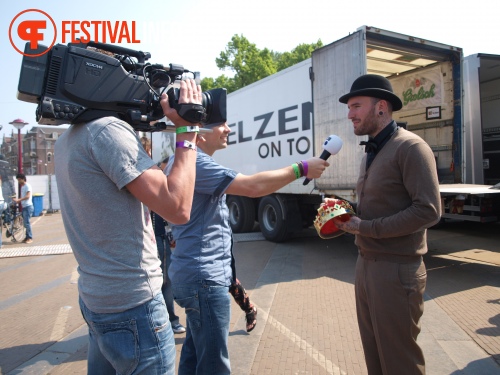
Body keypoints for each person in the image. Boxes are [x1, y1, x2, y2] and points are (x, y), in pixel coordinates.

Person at [54, 79, 201, 375]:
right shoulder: (107, 130)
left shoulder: (67, 139)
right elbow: (177, 207)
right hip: (134, 306)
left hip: (97, 301)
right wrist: (188, 129)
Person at [166, 123, 330, 375]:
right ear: (199, 132)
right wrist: (302, 168)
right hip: (204, 280)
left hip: (194, 275)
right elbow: (253, 187)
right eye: (220, 123)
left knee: (194, 355)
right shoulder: (197, 163)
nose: (228, 128)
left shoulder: (183, 162)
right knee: (213, 367)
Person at [331, 74, 441, 375]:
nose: (349, 114)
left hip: (397, 270)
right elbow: (379, 205)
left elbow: (429, 211)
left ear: (381, 107)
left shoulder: (411, 148)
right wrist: (343, 212)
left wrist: (363, 228)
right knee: (375, 358)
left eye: (356, 106)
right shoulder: (372, 151)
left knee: (400, 363)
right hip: (366, 264)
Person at [140, 141, 187, 335]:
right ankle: (165, 320)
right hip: (146, 238)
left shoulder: (156, 171)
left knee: (165, 280)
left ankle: (169, 319)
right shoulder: (140, 174)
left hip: (158, 235)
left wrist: (170, 233)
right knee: (156, 281)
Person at [12, 173, 34, 244]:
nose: (18, 181)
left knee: (27, 223)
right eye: (18, 180)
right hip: (25, 207)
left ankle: (30, 237)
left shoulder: (27, 186)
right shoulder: (23, 187)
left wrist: (19, 200)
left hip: (28, 206)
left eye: (19, 179)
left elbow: (28, 196)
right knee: (25, 223)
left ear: (23, 179)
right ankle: (27, 237)